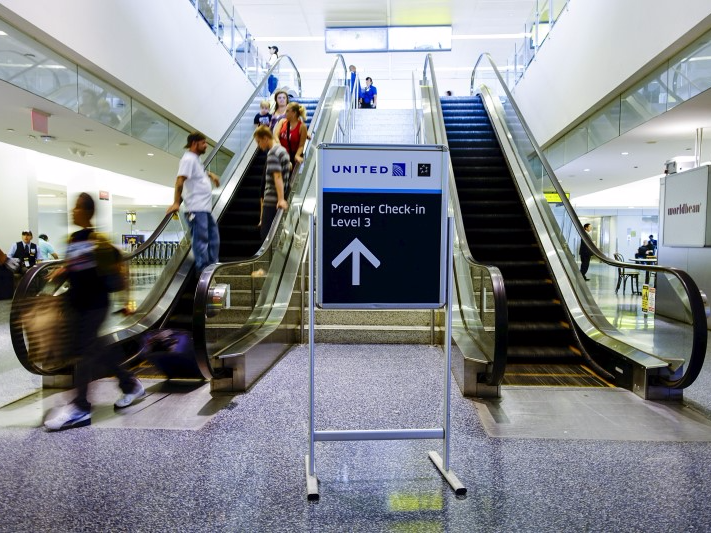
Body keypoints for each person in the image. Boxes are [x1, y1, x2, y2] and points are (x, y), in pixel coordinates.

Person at [43, 193, 145, 431]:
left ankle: (80, 407)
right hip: (76, 303)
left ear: (87, 212)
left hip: (96, 303)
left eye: (77, 207)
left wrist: (126, 301)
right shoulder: (73, 239)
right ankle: (130, 384)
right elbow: (73, 267)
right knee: (95, 348)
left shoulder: (99, 241)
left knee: (85, 352)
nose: (73, 211)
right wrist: (62, 272)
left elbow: (120, 268)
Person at [167, 131, 221, 274]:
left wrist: (210, 175)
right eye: (203, 143)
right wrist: (176, 202)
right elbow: (180, 181)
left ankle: (212, 268)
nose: (206, 146)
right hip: (195, 208)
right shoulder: (188, 159)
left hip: (205, 208)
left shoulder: (196, 159)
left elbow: (197, 174)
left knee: (214, 238)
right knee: (201, 240)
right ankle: (203, 272)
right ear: (194, 144)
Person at [253, 126, 289, 243]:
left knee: (266, 236)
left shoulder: (272, 153)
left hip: (272, 200)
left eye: (258, 141)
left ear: (265, 138)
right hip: (276, 199)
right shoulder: (282, 150)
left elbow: (277, 176)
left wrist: (281, 199)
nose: (259, 145)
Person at [274, 102, 307, 169]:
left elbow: (301, 145)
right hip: (279, 155)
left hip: (290, 157)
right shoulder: (283, 121)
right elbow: (275, 135)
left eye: (287, 111)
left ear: (294, 113)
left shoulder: (302, 127)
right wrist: (279, 145)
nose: (285, 113)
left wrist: (297, 155)